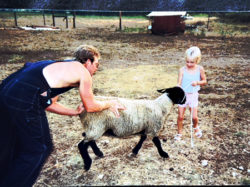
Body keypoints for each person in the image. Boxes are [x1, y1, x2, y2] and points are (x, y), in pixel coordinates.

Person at [0, 44, 125, 186]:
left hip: (7, 90)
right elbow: (91, 106)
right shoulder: (82, 72)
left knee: (11, 142)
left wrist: (74, 112)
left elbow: (48, 103)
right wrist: (110, 103)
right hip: (23, 95)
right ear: (88, 61)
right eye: (96, 64)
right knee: (38, 149)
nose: (97, 68)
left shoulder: (63, 67)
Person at [174, 46, 207, 141]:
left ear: (197, 60)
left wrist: (197, 82)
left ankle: (196, 127)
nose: (189, 64)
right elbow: (179, 83)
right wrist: (178, 87)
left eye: (192, 62)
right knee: (180, 116)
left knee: (194, 117)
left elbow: (204, 81)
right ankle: (179, 133)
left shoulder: (200, 69)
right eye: (187, 61)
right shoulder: (182, 70)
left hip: (193, 94)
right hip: (183, 95)